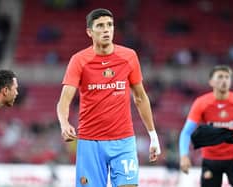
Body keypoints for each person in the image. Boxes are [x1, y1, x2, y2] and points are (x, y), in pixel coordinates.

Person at [57, 8, 161, 187]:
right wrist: (64, 123)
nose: (106, 29)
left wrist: (153, 135)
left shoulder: (129, 56)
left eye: (109, 25)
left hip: (124, 140)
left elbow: (140, 98)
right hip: (90, 142)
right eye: (100, 26)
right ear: (90, 32)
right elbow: (64, 100)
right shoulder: (79, 60)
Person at [179, 65, 233, 187]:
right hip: (210, 159)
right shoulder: (201, 103)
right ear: (211, 82)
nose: (224, 80)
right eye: (220, 77)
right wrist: (184, 155)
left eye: (227, 77)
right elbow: (186, 132)